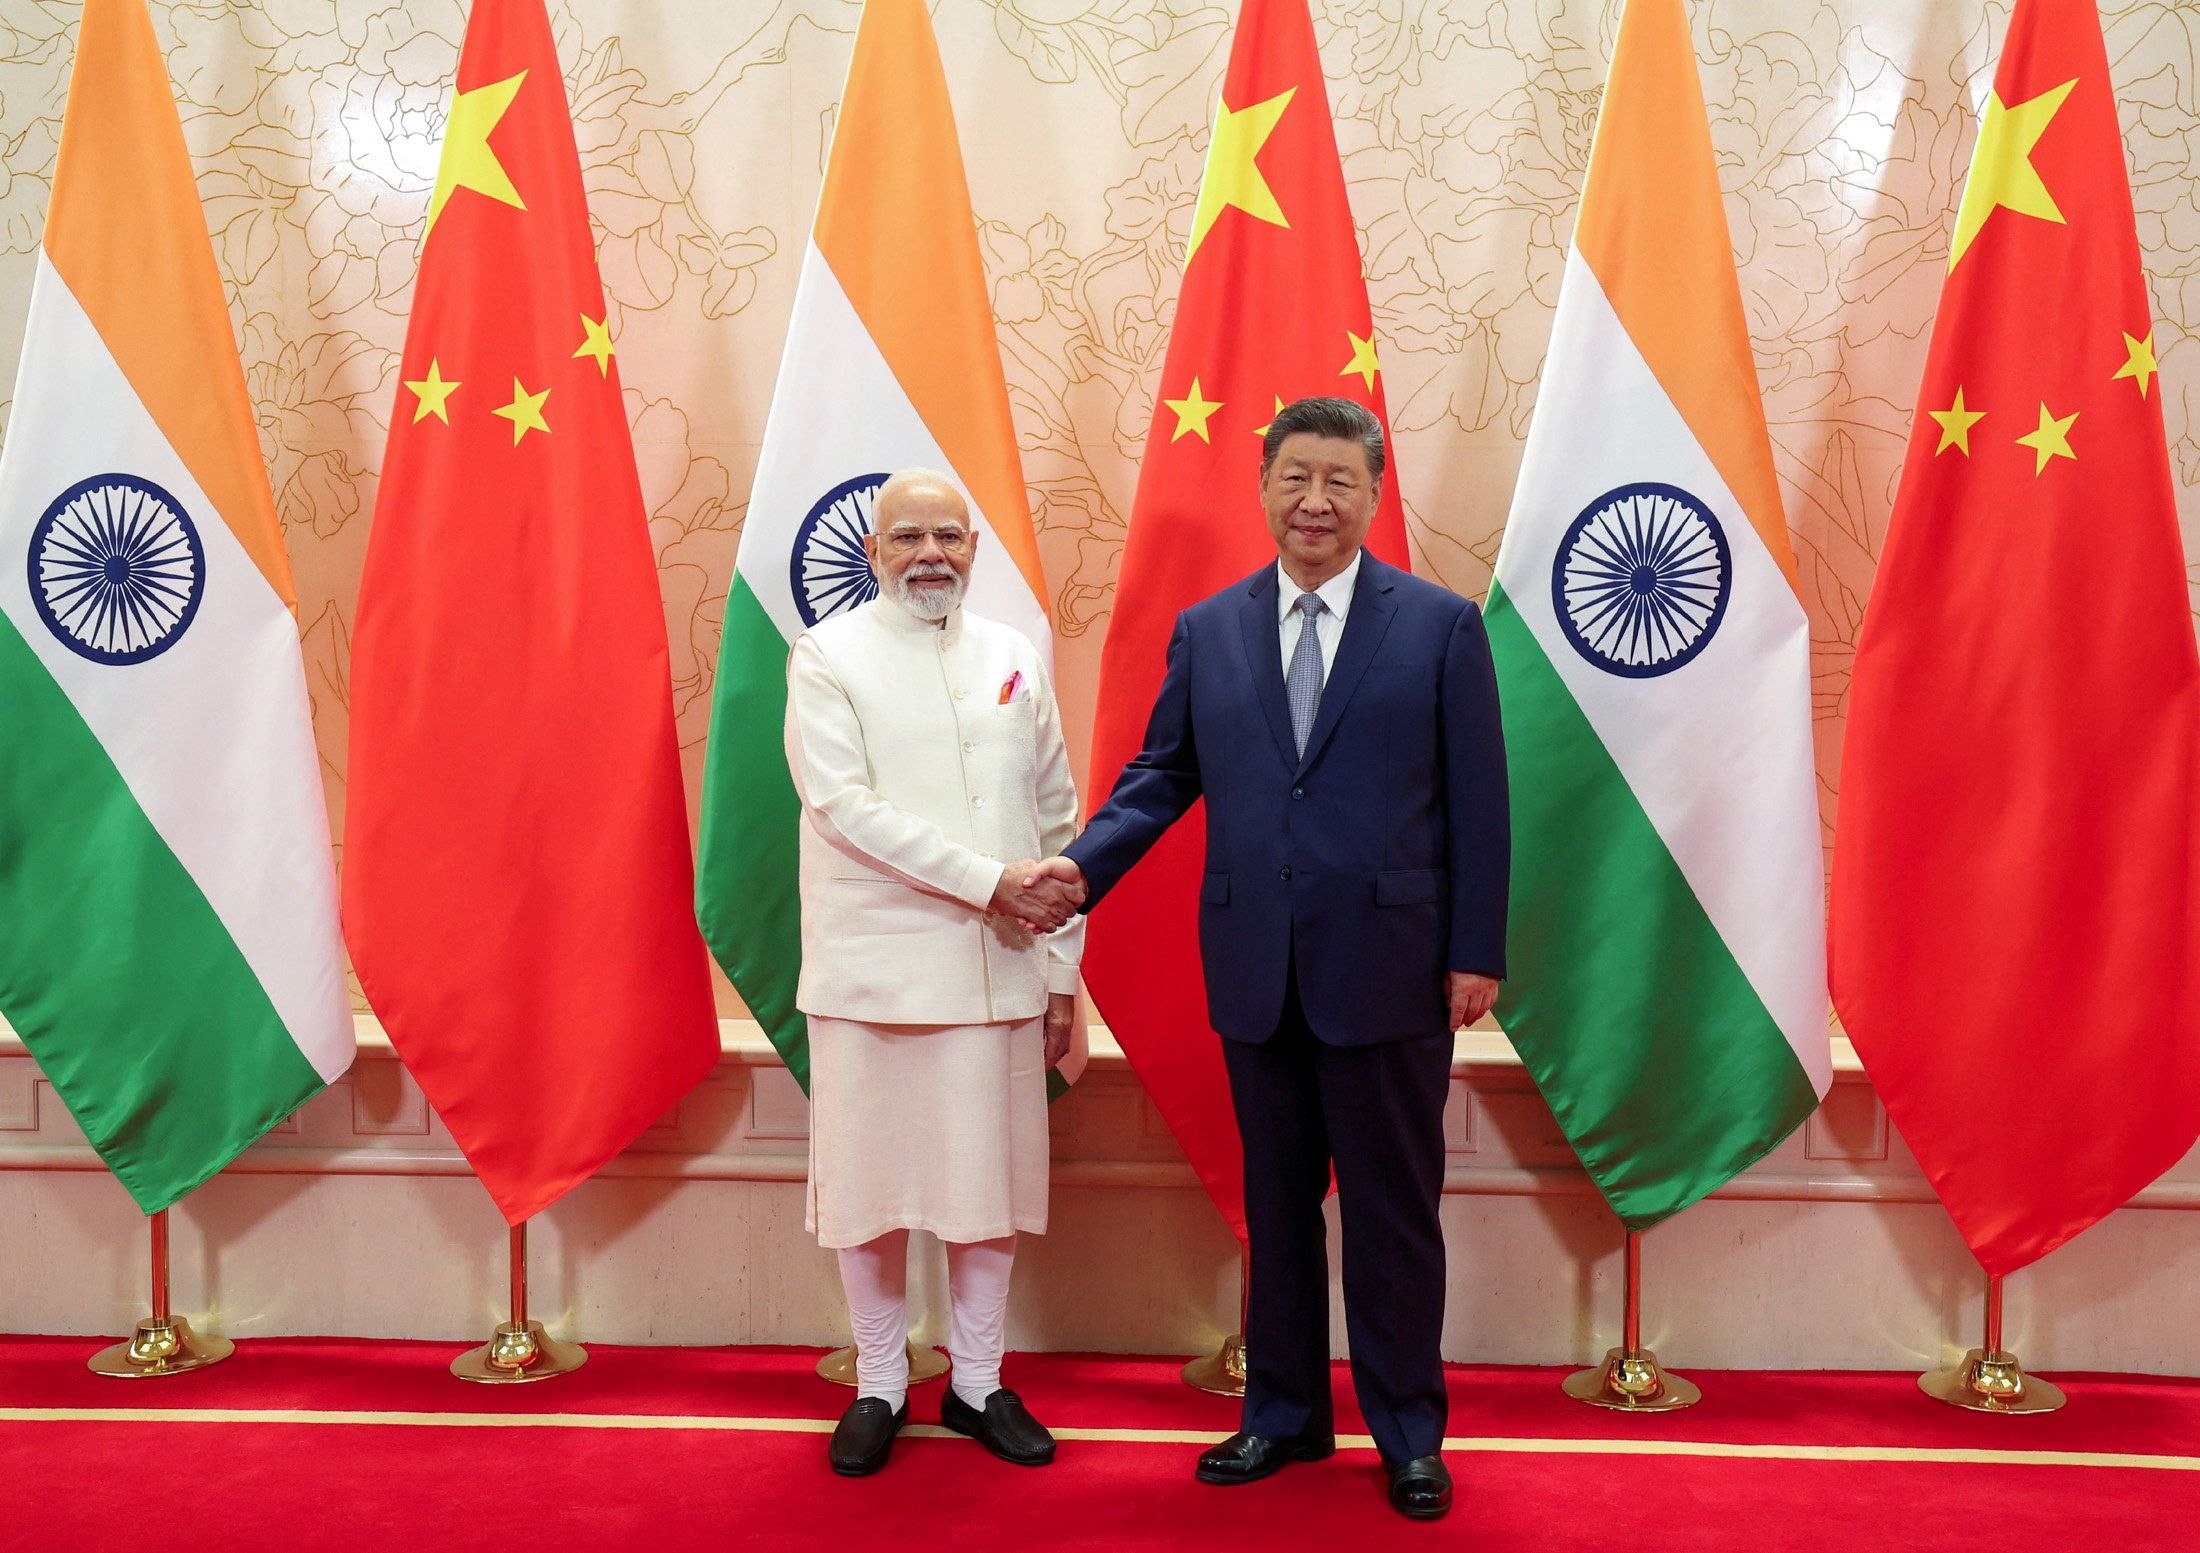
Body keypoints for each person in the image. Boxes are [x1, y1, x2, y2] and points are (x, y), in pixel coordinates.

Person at [1033, 397, 1508, 1520]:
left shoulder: (1440, 625)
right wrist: (1079, 869)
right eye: (1295, 477)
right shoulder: (1210, 629)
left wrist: (1474, 951)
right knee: (1275, 1206)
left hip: (1393, 968)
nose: (1315, 501)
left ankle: (1408, 1433)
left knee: (1393, 1213)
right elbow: (1163, 773)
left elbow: (1480, 802)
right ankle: (1282, 1413)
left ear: (1374, 494)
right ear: (1262, 488)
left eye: (1340, 481)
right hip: (1256, 965)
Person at [784, 468, 1083, 1477]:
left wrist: (1062, 970)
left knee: (985, 1190)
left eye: (948, 536)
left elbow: (1056, 817)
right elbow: (842, 807)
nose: (929, 554)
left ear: (972, 549)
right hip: (871, 974)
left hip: (999, 971)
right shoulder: (827, 655)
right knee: (868, 1192)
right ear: (874, 551)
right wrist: (991, 882)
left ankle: (978, 1382)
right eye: (907, 536)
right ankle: (878, 1381)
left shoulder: (1011, 654)